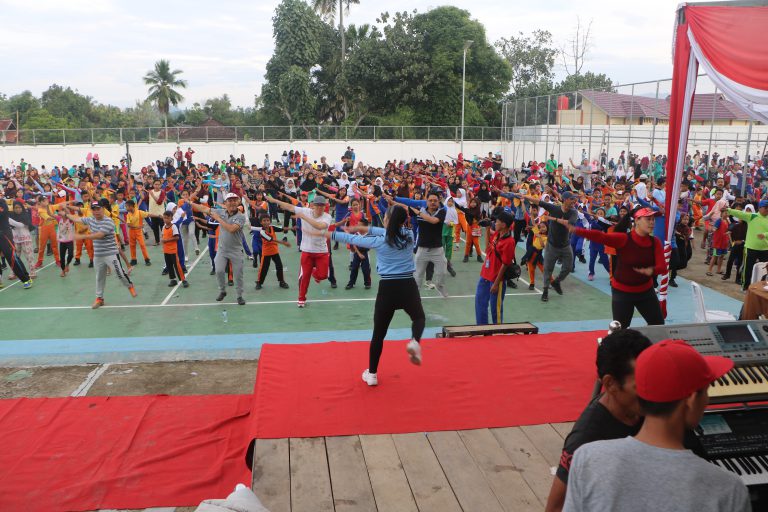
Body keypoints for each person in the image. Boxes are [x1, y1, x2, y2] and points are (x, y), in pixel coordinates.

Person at [563, 339, 749, 512]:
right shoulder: (728, 489)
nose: (706, 400)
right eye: (706, 392)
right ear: (691, 400)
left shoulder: (587, 458)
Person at [546, 328, 652, 511]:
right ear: (610, 384)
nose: (651, 391)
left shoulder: (644, 408)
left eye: (652, 379)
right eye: (640, 385)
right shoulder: (585, 439)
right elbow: (555, 507)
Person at [328, 204, 425, 386]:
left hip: (387, 289)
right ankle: (415, 341)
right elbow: (386, 230)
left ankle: (372, 374)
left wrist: (327, 234)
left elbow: (349, 238)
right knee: (419, 318)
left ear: (387, 220)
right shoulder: (409, 235)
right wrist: (361, 227)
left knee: (379, 334)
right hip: (408, 286)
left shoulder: (379, 241)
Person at [556, 207, 666, 328]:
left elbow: (662, 267)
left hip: (646, 292)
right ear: (637, 220)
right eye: (648, 219)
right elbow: (600, 236)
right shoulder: (624, 239)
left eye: (653, 219)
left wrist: (652, 270)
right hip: (622, 293)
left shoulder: (655, 242)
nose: (652, 222)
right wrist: (576, 230)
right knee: (620, 330)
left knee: (658, 325)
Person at [66, 201, 136, 308]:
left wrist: (82, 236)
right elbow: (76, 219)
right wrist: (66, 214)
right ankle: (99, 298)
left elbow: (99, 235)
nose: (96, 211)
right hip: (98, 255)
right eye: (94, 209)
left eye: (98, 209)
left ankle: (129, 285)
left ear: (103, 209)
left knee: (120, 274)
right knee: (99, 277)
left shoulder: (108, 221)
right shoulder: (91, 219)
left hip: (111, 253)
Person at [267, 193, 332, 308]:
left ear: (325, 206)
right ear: (313, 205)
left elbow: (319, 226)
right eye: (317, 205)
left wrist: (303, 217)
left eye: (322, 205)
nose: (320, 207)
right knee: (305, 276)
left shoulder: (327, 217)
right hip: (307, 250)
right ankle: (301, 299)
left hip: (321, 251)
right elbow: (289, 206)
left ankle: (314, 272)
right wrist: (274, 200)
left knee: (323, 275)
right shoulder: (305, 211)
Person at [516, 191, 579, 302]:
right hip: (552, 245)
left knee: (568, 268)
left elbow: (570, 223)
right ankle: (545, 291)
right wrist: (525, 196)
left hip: (565, 245)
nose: (574, 201)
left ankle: (556, 282)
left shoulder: (574, 212)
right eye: (571, 199)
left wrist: (553, 219)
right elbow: (538, 202)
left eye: (574, 199)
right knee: (548, 269)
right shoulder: (554, 208)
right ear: (565, 200)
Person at [191, 193, 247, 306]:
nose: (232, 202)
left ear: (238, 202)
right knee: (219, 270)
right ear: (225, 203)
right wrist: (190, 202)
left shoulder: (240, 216)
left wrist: (218, 219)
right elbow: (204, 209)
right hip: (222, 250)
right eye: (229, 200)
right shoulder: (221, 212)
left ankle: (239, 296)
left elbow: (231, 229)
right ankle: (222, 290)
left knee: (238, 275)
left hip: (236, 250)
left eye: (234, 200)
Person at [475, 208, 516, 325]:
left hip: (496, 278)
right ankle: (482, 327)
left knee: (495, 309)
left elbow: (505, 264)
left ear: (503, 225)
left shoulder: (509, 242)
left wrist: (496, 283)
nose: (495, 223)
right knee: (480, 302)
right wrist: (487, 228)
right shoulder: (498, 234)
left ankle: (498, 331)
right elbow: (487, 248)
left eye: (497, 221)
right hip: (485, 274)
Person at [727, 199, 768, 288]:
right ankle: (745, 286)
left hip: (765, 249)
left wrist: (765, 235)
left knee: (764, 269)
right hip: (750, 248)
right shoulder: (752, 216)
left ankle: (761, 286)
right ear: (760, 208)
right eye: (766, 207)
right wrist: (728, 210)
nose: (767, 209)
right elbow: (740, 214)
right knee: (747, 268)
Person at [0, 195, 32, 289]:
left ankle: (26, 279)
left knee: (12, 258)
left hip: (4, 235)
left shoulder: (2, 203)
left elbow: (2, 214)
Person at [252, 214, 291, 290]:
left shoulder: (272, 227)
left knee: (279, 266)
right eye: (264, 221)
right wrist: (283, 243)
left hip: (274, 251)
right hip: (266, 253)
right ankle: (259, 282)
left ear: (270, 221)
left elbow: (281, 229)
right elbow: (271, 239)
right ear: (261, 222)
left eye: (267, 220)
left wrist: (292, 228)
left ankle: (281, 281)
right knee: (264, 268)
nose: (266, 222)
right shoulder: (262, 232)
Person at [161, 211, 188, 288]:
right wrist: (162, 240)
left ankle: (183, 280)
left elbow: (177, 237)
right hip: (166, 250)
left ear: (171, 218)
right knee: (169, 265)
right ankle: (173, 279)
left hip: (173, 250)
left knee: (177, 266)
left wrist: (166, 240)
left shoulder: (173, 227)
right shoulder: (163, 227)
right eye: (164, 218)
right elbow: (163, 236)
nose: (165, 219)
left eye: (167, 218)